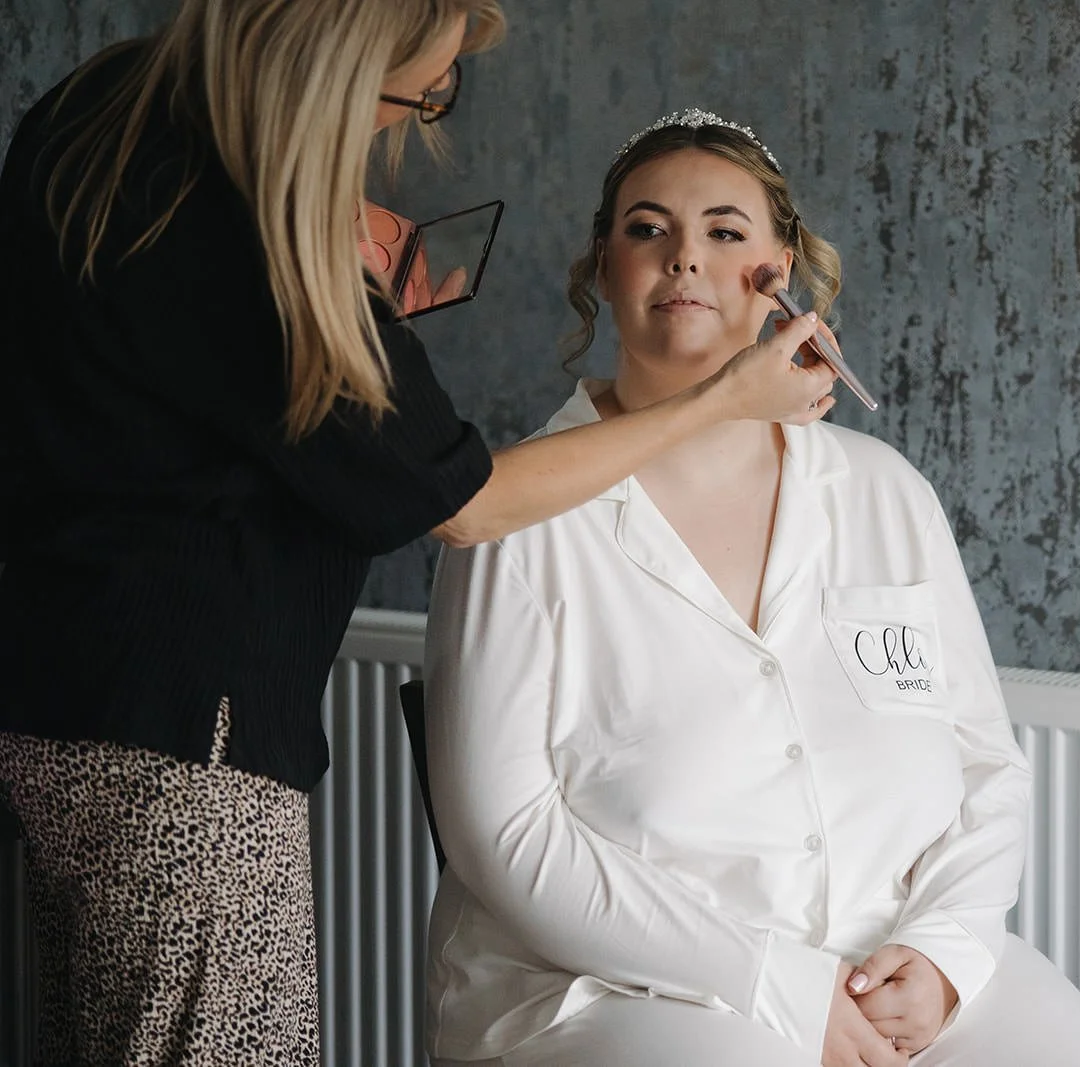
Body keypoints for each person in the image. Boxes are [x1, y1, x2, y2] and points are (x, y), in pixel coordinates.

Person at [0, 4, 835, 1061]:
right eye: (413, 97)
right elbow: (465, 501)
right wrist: (723, 401)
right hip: (187, 753)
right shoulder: (257, 251)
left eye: (726, 230)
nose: (405, 129)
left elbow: (184, 345)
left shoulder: (106, 109)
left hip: (59, 701)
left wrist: (327, 236)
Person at [421, 109, 1080, 1067]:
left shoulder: (885, 495)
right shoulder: (519, 515)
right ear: (602, 266)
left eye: (725, 231)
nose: (684, 260)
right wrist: (777, 983)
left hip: (897, 969)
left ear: (782, 268)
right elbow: (505, 838)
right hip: (623, 992)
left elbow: (985, 766)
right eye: (647, 230)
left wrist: (944, 953)